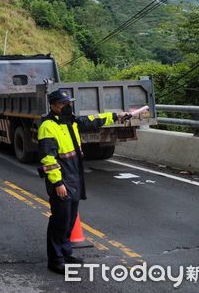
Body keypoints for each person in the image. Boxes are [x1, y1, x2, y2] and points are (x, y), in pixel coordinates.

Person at [38, 89, 130, 275]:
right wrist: (57, 183)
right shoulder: (47, 126)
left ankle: (66, 253)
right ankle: (55, 260)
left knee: (70, 219)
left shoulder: (69, 121)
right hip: (62, 179)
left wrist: (116, 116)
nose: (67, 106)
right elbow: (48, 158)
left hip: (74, 176)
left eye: (68, 103)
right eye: (63, 104)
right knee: (60, 220)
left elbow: (92, 120)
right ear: (54, 105)